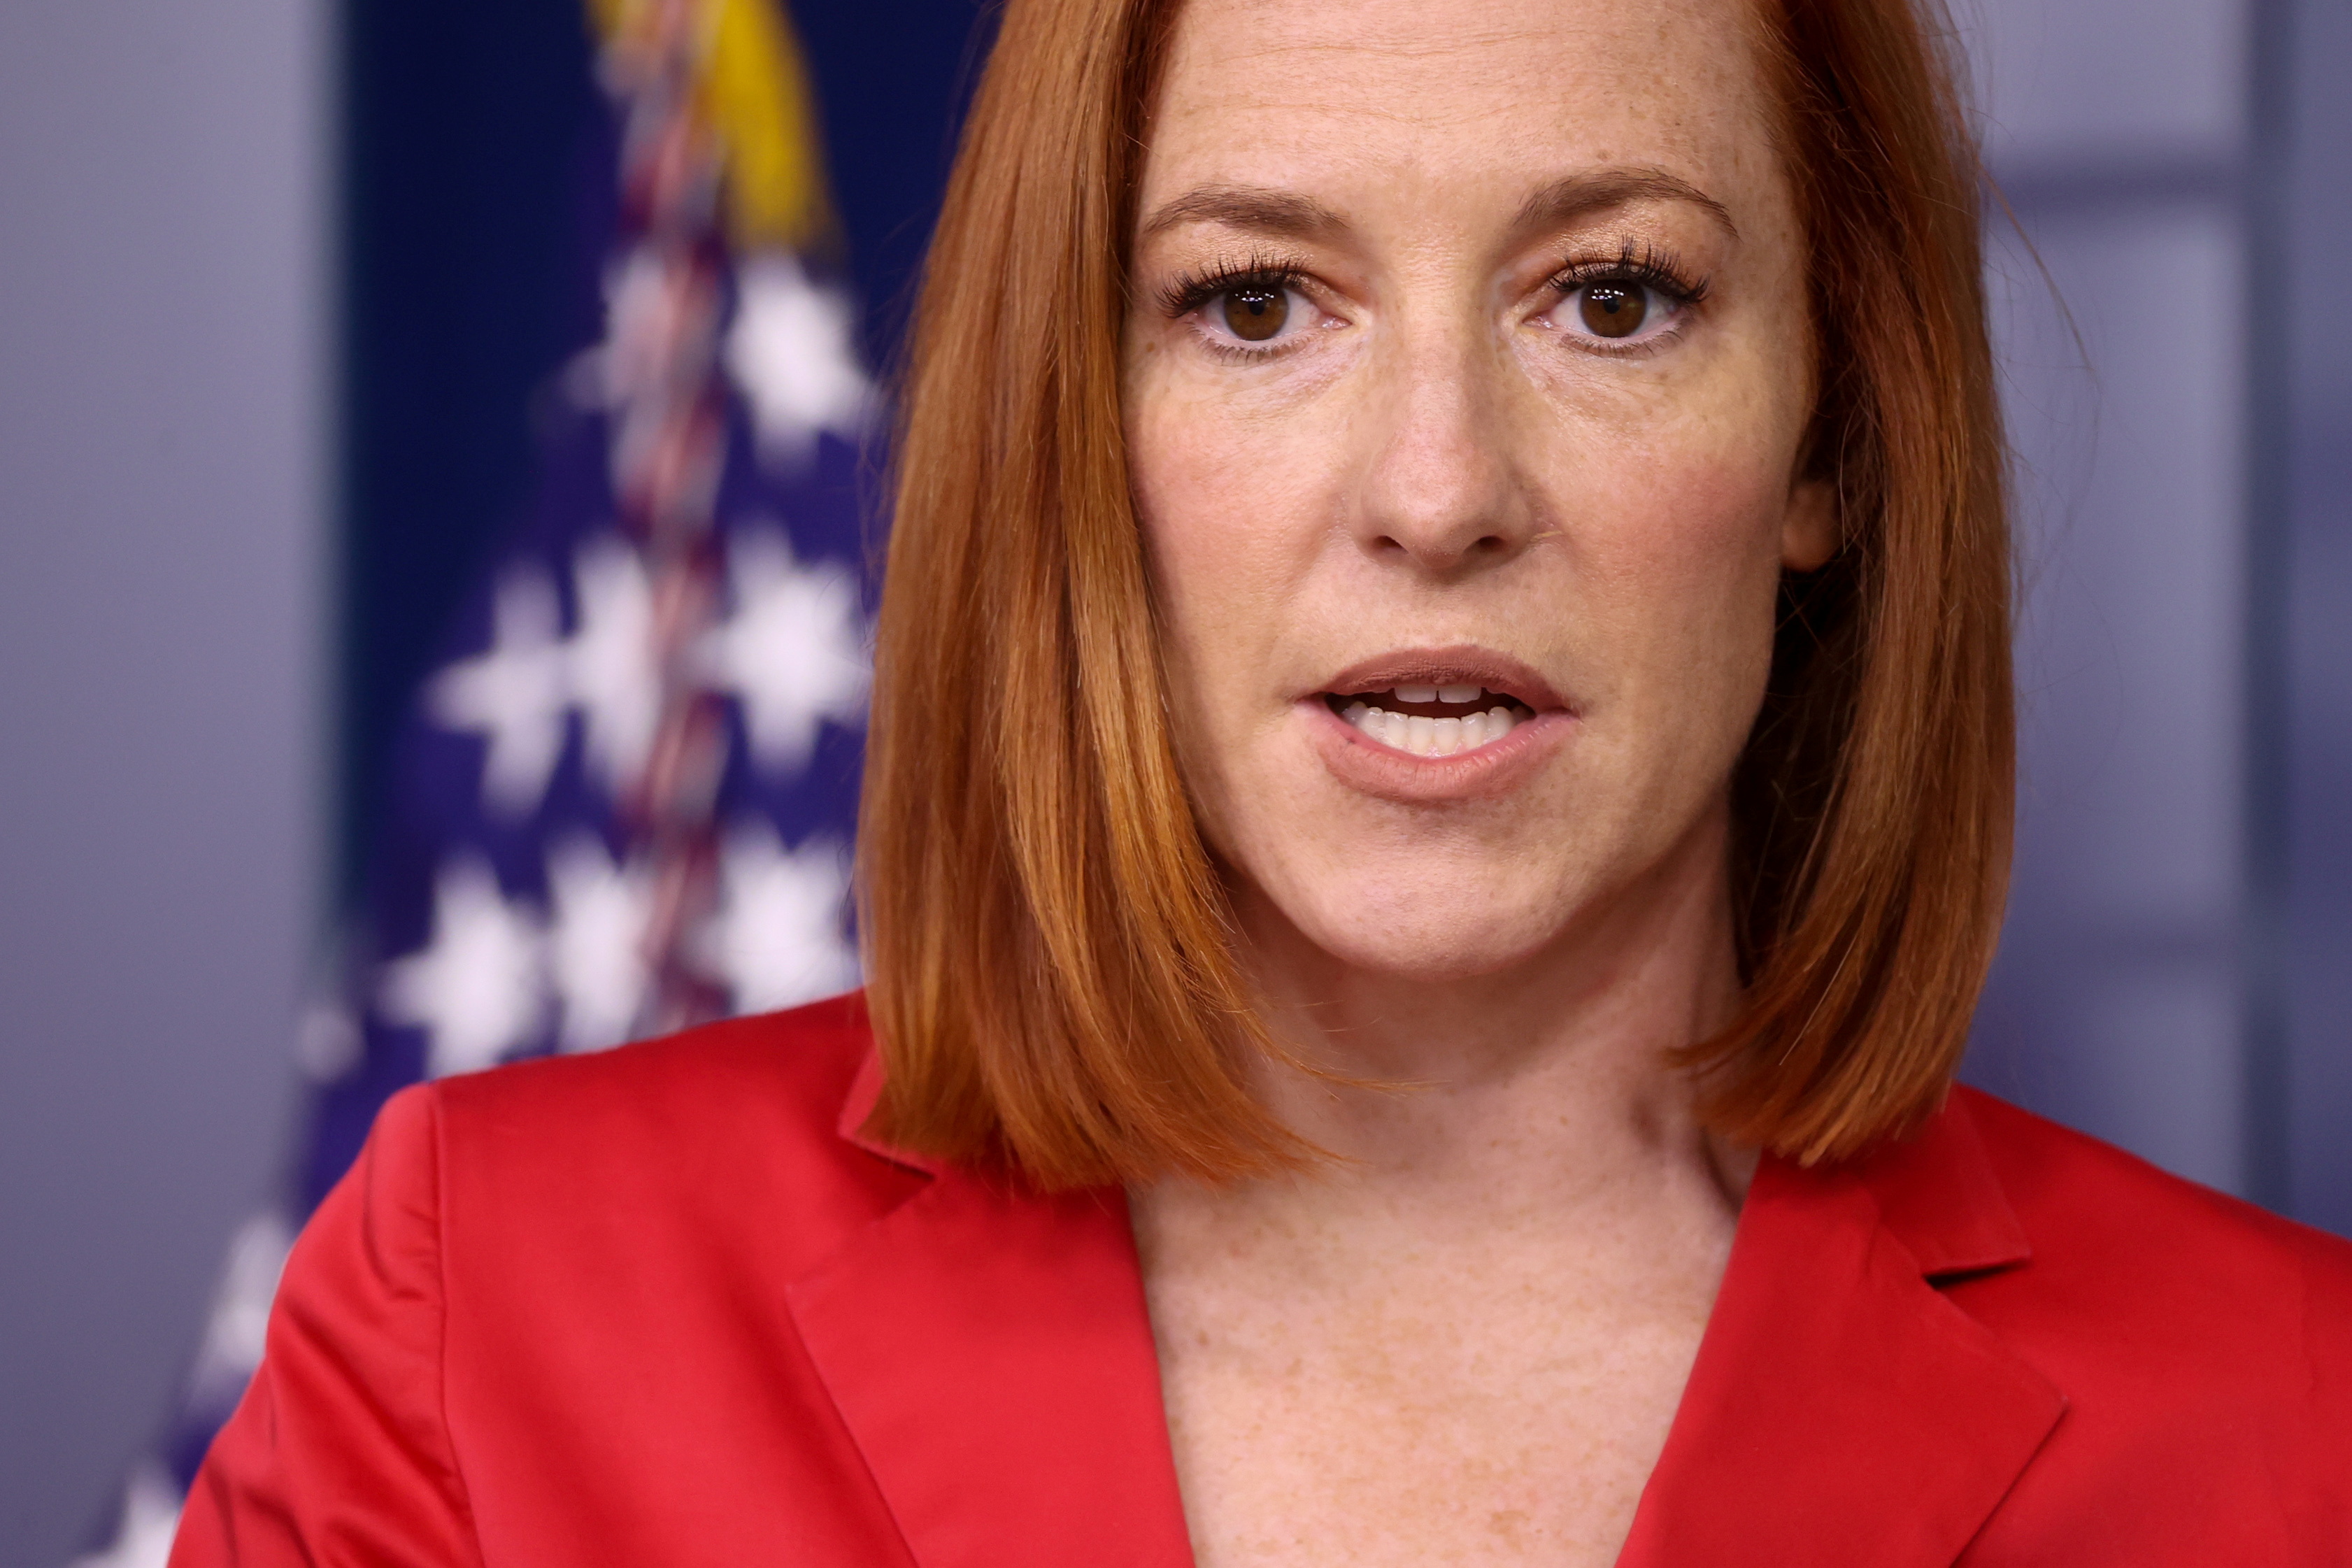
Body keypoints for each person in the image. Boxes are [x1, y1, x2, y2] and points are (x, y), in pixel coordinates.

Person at [172, 0, 2352, 1560]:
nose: (1434, 489)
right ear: (1068, 414)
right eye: (1248, 305)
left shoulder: (2300, 1432)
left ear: (1831, 434)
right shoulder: (493, 1311)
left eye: (1610, 296)